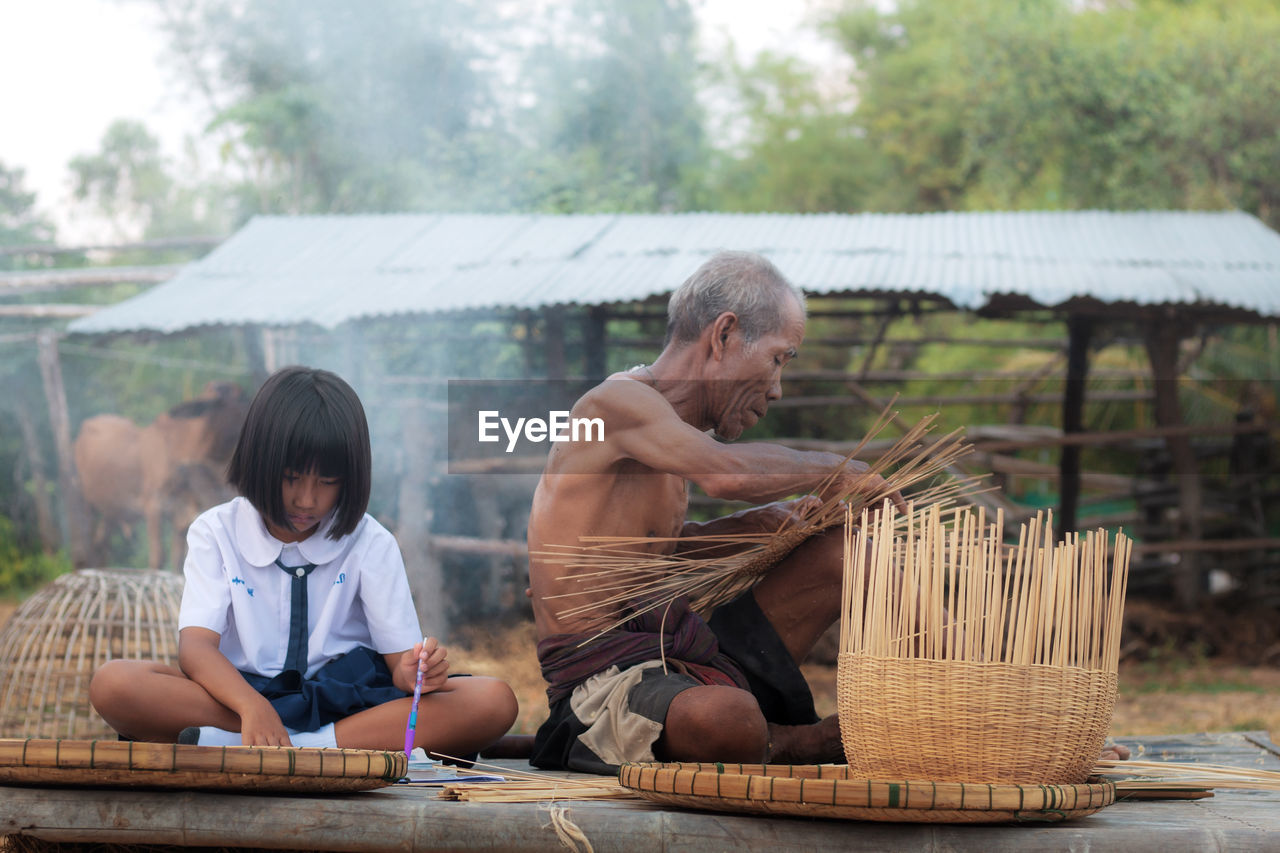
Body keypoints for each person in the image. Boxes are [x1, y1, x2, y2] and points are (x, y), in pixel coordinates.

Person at [526, 250, 899, 774]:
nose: (776, 388)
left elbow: (648, 554)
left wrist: (758, 528)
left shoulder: (666, 431)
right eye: (777, 358)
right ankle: (787, 744)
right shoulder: (613, 406)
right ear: (723, 335)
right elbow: (725, 475)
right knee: (727, 718)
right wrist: (837, 468)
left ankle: (971, 686)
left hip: (677, 661)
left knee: (843, 554)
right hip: (605, 685)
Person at [90, 366, 518, 757]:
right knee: (115, 685)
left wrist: (415, 671)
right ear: (260, 462)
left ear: (350, 479)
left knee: (493, 700)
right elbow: (196, 648)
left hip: (346, 707)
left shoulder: (371, 541)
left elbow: (401, 669)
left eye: (327, 482)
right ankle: (281, 739)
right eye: (292, 478)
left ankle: (288, 747)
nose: (307, 500)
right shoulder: (215, 531)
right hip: (237, 700)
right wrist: (252, 706)